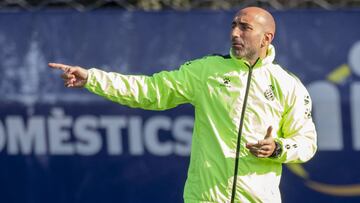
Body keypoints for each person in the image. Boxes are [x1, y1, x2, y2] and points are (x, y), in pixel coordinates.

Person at [49, 6, 317, 203]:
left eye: (244, 27)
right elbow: (150, 91)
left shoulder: (287, 85)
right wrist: (93, 78)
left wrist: (277, 148)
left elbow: (307, 142)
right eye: (233, 25)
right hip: (205, 198)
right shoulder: (206, 71)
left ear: (266, 38)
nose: (235, 32)